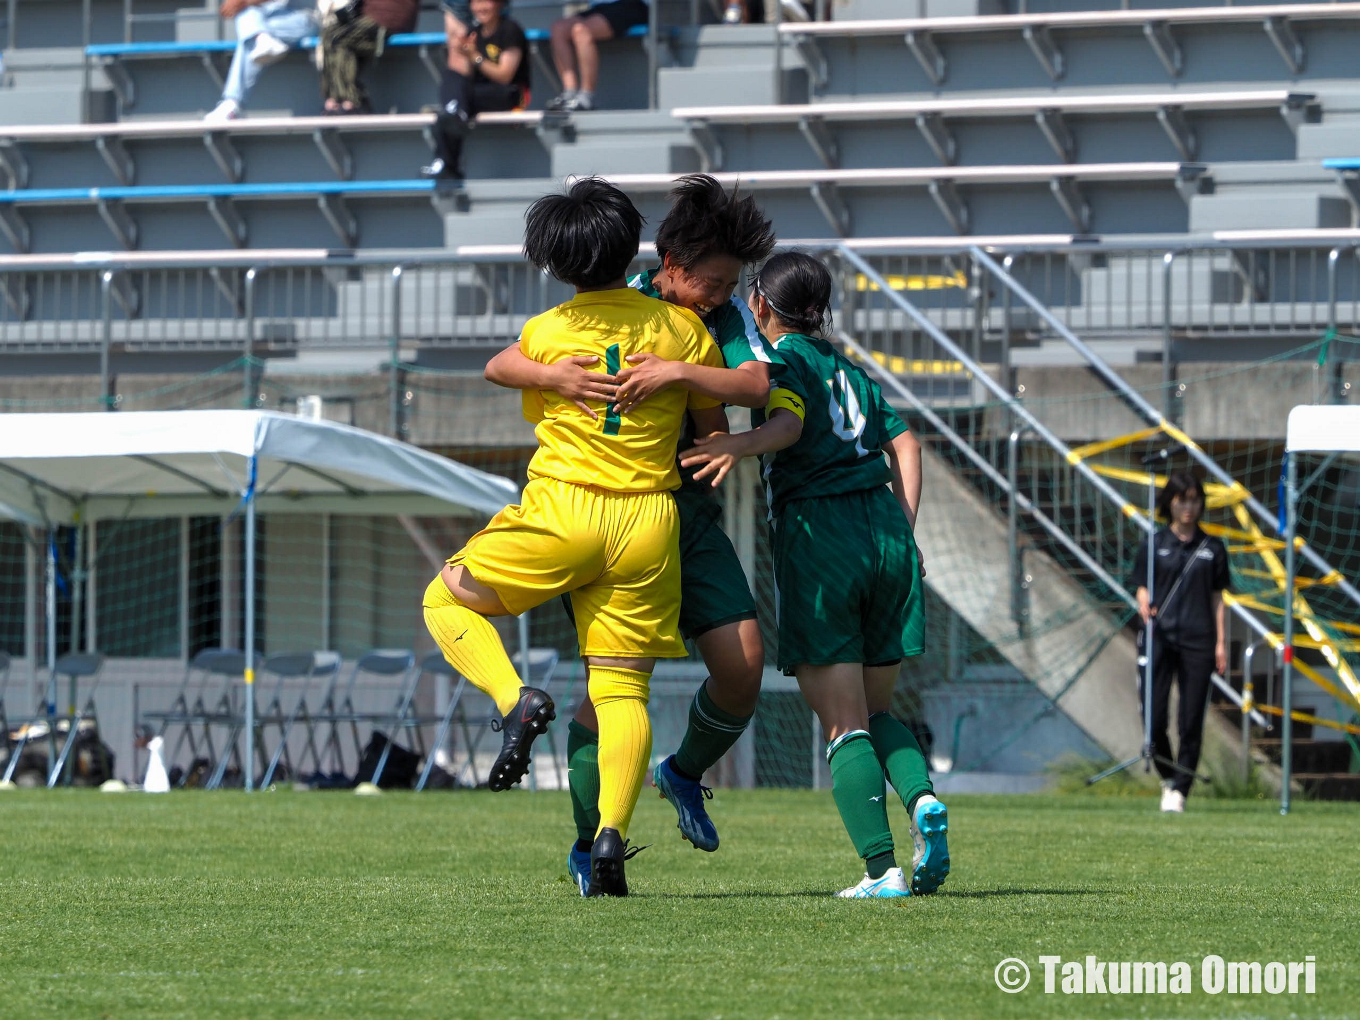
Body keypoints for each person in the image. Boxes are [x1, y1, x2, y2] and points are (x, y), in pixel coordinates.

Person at [424, 177, 724, 898]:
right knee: (622, 691)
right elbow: (712, 418)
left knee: (446, 598)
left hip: (564, 509)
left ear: (555, 263)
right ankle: (611, 833)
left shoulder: (549, 332)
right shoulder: (682, 331)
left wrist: (550, 377)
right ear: (632, 248)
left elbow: (498, 366)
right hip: (647, 520)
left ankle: (513, 700)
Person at [484, 174, 779, 896]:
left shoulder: (712, 321)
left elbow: (755, 385)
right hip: (614, 512)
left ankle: (682, 772)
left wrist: (682, 377)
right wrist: (557, 378)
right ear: (668, 265)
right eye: (711, 281)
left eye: (729, 284)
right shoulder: (616, 298)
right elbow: (507, 360)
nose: (720, 294)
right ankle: (591, 840)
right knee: (610, 691)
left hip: (685, 512)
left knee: (744, 665)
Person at [679, 252, 948, 899]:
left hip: (821, 534)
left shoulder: (781, 361)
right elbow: (907, 443)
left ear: (760, 305)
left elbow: (786, 423)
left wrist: (736, 443)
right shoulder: (852, 370)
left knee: (842, 723)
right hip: (885, 531)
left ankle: (881, 872)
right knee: (876, 710)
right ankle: (922, 801)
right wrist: (902, 528)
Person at [1132, 470, 1230, 814]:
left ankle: (1180, 790)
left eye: (1194, 501)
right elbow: (1141, 586)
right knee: (1154, 717)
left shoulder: (1213, 547)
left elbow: (1218, 599)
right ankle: (1169, 776)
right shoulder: (1154, 543)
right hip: (1160, 637)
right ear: (1169, 503)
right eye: (1182, 501)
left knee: (1190, 719)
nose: (1188, 508)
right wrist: (1143, 601)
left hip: (1199, 640)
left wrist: (1221, 643)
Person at [423, 0, 529, 180]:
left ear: (498, 4)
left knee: (451, 109)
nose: (480, 8)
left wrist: (475, 57)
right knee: (451, 78)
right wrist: (463, 53)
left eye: (485, 2)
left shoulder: (511, 30)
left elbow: (505, 76)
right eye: (476, 2)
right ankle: (456, 116)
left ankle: (448, 155)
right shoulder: (474, 32)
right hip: (481, 94)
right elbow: (466, 77)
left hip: (511, 95)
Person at [206, 0, 318, 122]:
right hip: (275, 19)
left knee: (251, 30)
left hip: (307, 19)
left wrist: (242, 2)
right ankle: (262, 39)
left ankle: (232, 103)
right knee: (247, 16)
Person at [545, 0, 649, 112]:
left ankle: (586, 97)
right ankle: (569, 94)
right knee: (558, 28)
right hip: (600, 7)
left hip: (630, 6)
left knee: (581, 30)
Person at [320, 0, 418, 115]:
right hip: (368, 17)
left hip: (386, 18)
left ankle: (351, 101)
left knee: (340, 39)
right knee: (328, 34)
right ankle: (334, 98)